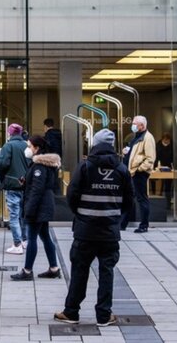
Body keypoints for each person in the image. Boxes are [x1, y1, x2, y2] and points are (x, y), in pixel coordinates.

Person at [54, 129, 133, 326]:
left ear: (94, 144)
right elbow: (129, 202)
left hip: (85, 230)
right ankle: (104, 316)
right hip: (109, 232)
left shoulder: (85, 167)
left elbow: (71, 195)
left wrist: (81, 215)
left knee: (79, 271)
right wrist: (115, 217)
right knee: (107, 273)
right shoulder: (122, 169)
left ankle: (71, 312)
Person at [11, 136, 60, 280]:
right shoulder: (44, 163)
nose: (28, 149)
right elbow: (38, 185)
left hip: (39, 206)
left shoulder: (39, 165)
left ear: (37, 148)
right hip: (44, 204)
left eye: (29, 146)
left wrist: (29, 210)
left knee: (32, 238)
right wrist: (25, 182)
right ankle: (54, 268)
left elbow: (37, 189)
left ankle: (27, 271)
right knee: (45, 236)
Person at [120, 116, 155, 233]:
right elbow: (135, 153)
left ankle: (144, 225)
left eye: (135, 123)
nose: (133, 125)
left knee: (141, 199)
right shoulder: (136, 137)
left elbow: (150, 158)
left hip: (138, 173)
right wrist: (126, 152)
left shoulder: (147, 138)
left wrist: (139, 169)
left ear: (142, 125)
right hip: (131, 172)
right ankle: (122, 224)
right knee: (128, 198)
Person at [0, 123, 29, 255]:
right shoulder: (27, 145)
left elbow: (3, 163)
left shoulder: (8, 145)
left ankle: (17, 244)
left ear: (9, 133)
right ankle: (25, 240)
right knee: (24, 215)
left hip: (12, 183)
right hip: (26, 185)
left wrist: (1, 175)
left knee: (14, 215)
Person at [156, 132, 174, 205]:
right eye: (165, 140)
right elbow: (156, 157)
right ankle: (159, 200)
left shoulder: (172, 145)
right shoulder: (158, 145)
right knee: (160, 184)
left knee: (168, 185)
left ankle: (168, 202)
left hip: (169, 167)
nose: (167, 142)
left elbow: (173, 156)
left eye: (168, 140)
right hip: (159, 166)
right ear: (162, 139)